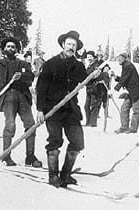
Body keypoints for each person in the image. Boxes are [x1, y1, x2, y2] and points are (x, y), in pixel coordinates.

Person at [36, 30, 100, 187]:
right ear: (63, 45)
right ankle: (53, 176)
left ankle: (65, 175)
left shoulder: (78, 65)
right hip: (53, 109)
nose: (71, 47)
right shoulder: (51, 64)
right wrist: (39, 109)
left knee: (78, 142)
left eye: (74, 45)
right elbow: (41, 87)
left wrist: (94, 76)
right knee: (55, 141)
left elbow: (85, 82)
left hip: (71, 110)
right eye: (69, 44)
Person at [0, 37, 42, 168]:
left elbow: (31, 78)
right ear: (4, 49)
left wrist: (21, 76)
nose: (11, 48)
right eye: (8, 46)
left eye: (13, 47)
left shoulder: (23, 64)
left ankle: (30, 157)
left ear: (16, 49)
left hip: (23, 97)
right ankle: (6, 156)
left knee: (31, 125)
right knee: (10, 125)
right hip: (8, 97)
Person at [112, 53, 139, 134]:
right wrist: (115, 77)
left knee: (136, 110)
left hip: (136, 91)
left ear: (125, 58)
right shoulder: (126, 65)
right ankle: (124, 127)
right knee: (124, 108)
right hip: (131, 91)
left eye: (120, 58)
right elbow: (124, 79)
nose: (118, 60)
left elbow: (124, 79)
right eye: (118, 58)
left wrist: (114, 90)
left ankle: (133, 129)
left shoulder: (128, 66)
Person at [84, 50, 103, 127]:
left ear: (94, 57)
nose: (89, 58)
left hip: (95, 89)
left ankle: (93, 123)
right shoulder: (89, 66)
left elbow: (98, 75)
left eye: (90, 57)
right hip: (89, 89)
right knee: (86, 106)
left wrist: (92, 78)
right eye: (88, 57)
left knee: (93, 106)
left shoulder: (96, 65)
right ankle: (88, 122)